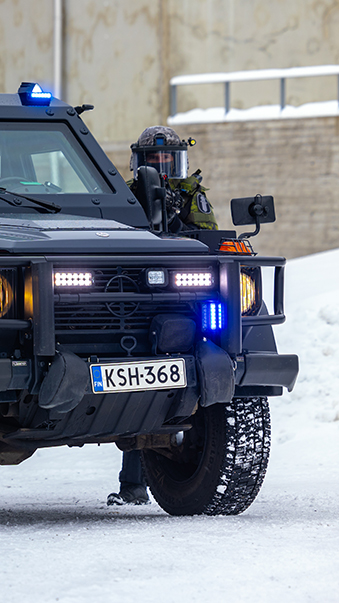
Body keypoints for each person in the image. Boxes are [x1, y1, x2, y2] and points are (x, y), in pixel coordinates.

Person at [107, 126, 216, 507]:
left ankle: (138, 483)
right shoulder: (122, 196)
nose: (159, 167)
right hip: (133, 297)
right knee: (132, 384)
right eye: (152, 161)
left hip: (180, 295)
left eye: (167, 160)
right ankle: (132, 485)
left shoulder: (191, 196)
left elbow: (209, 240)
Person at [128, 125, 218, 233]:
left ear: (174, 161)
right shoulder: (129, 192)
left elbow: (207, 237)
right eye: (153, 157)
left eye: (165, 157)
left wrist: (173, 222)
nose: (160, 162)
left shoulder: (190, 194)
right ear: (143, 160)